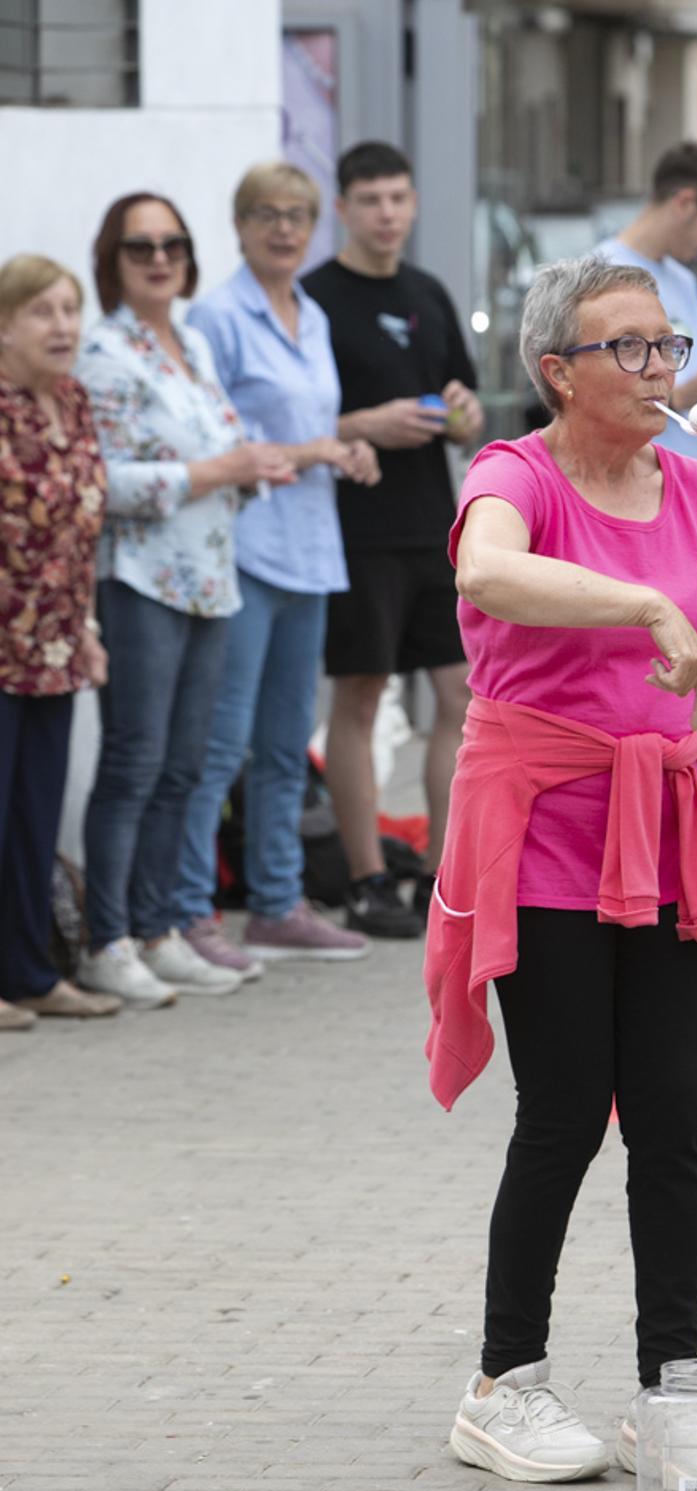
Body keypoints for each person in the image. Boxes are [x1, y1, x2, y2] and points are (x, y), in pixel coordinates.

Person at [432, 257, 697, 1481]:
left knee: (673, 1125)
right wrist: (636, 605)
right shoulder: (513, 475)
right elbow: (486, 571)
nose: (653, 370)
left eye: (665, 345)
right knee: (567, 1112)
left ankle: (671, 1390)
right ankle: (503, 1381)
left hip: (678, 833)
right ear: (555, 370)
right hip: (548, 837)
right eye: (624, 348)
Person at [73, 192, 296, 1009]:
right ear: (114, 260)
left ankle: (162, 927)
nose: (159, 258)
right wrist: (217, 473)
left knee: (185, 765)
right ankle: (109, 939)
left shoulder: (193, 342)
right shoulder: (105, 355)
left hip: (207, 575)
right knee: (134, 763)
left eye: (171, 244)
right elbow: (103, 481)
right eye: (140, 247)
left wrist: (254, 467)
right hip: (140, 578)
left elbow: (221, 444)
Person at [171, 162, 381, 970]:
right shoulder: (217, 318)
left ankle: (277, 903)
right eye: (267, 214)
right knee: (221, 744)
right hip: (246, 550)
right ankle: (192, 914)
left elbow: (314, 424)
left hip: (309, 549)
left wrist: (344, 448)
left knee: (288, 744)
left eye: (296, 214)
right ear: (239, 224)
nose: (284, 228)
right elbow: (212, 441)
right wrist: (311, 448)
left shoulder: (313, 314)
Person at [302, 141, 483, 939]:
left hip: (432, 527)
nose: (387, 213)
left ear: (413, 204)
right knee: (363, 695)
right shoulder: (315, 301)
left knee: (459, 696)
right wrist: (360, 425)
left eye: (399, 198)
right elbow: (291, 424)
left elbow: (467, 402)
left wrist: (465, 416)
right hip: (354, 529)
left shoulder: (429, 292)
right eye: (371, 199)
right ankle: (367, 877)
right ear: (343, 208)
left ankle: (444, 874)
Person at [0, 255, 121, 1030]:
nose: (63, 326)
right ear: (4, 325)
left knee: (35, 814)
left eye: (71, 310)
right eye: (43, 311)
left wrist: (85, 626)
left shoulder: (74, 402)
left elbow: (80, 531)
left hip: (54, 642)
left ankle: (30, 971)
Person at [595, 141, 697, 472]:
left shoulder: (683, 280)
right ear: (685, 202)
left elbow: (696, 372)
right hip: (643, 487)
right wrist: (679, 398)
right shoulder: (601, 274)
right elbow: (595, 400)